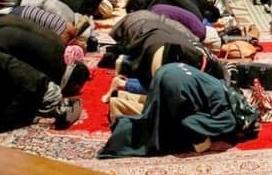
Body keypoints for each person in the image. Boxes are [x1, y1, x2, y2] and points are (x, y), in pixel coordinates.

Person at [98, 63, 236, 157]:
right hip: (175, 84)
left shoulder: (221, 88)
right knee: (158, 122)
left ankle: (119, 101)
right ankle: (122, 125)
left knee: (155, 106)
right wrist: (207, 144)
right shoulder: (225, 117)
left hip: (170, 69)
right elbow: (189, 122)